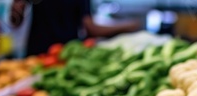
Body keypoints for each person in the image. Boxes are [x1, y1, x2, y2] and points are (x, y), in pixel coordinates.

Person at [9, 0, 140, 56]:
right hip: (49, 56)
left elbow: (14, 21)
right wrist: (128, 26)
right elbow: (91, 29)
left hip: (63, 55)